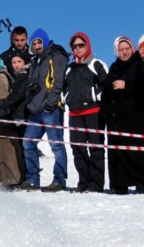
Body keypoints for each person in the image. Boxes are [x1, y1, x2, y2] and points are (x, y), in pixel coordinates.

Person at [21, 28, 69, 192]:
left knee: (56, 145)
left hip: (50, 109)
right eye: (34, 43)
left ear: (45, 41)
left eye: (39, 42)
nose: (36, 45)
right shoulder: (35, 60)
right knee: (28, 143)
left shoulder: (56, 55)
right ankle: (33, 179)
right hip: (35, 110)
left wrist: (51, 103)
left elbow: (58, 81)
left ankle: (59, 180)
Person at [63, 32, 108, 193]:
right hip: (74, 113)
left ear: (87, 45)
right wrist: (66, 97)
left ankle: (96, 184)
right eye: (75, 46)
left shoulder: (96, 64)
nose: (78, 48)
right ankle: (83, 182)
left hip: (93, 111)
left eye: (81, 45)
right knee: (77, 148)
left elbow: (106, 86)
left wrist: (95, 96)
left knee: (95, 147)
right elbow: (63, 88)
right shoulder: (69, 68)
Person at [102, 35, 144, 194]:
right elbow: (107, 91)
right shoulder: (114, 68)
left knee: (137, 151)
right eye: (121, 49)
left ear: (132, 49)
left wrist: (126, 85)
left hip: (136, 116)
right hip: (116, 118)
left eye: (127, 48)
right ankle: (119, 185)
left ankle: (141, 183)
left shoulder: (139, 65)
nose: (125, 52)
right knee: (117, 152)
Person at [0, 54, 27, 188]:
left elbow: (2, 98)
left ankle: (10, 179)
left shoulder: (1, 77)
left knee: (6, 151)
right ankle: (2, 179)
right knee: (0, 150)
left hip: (0, 119)